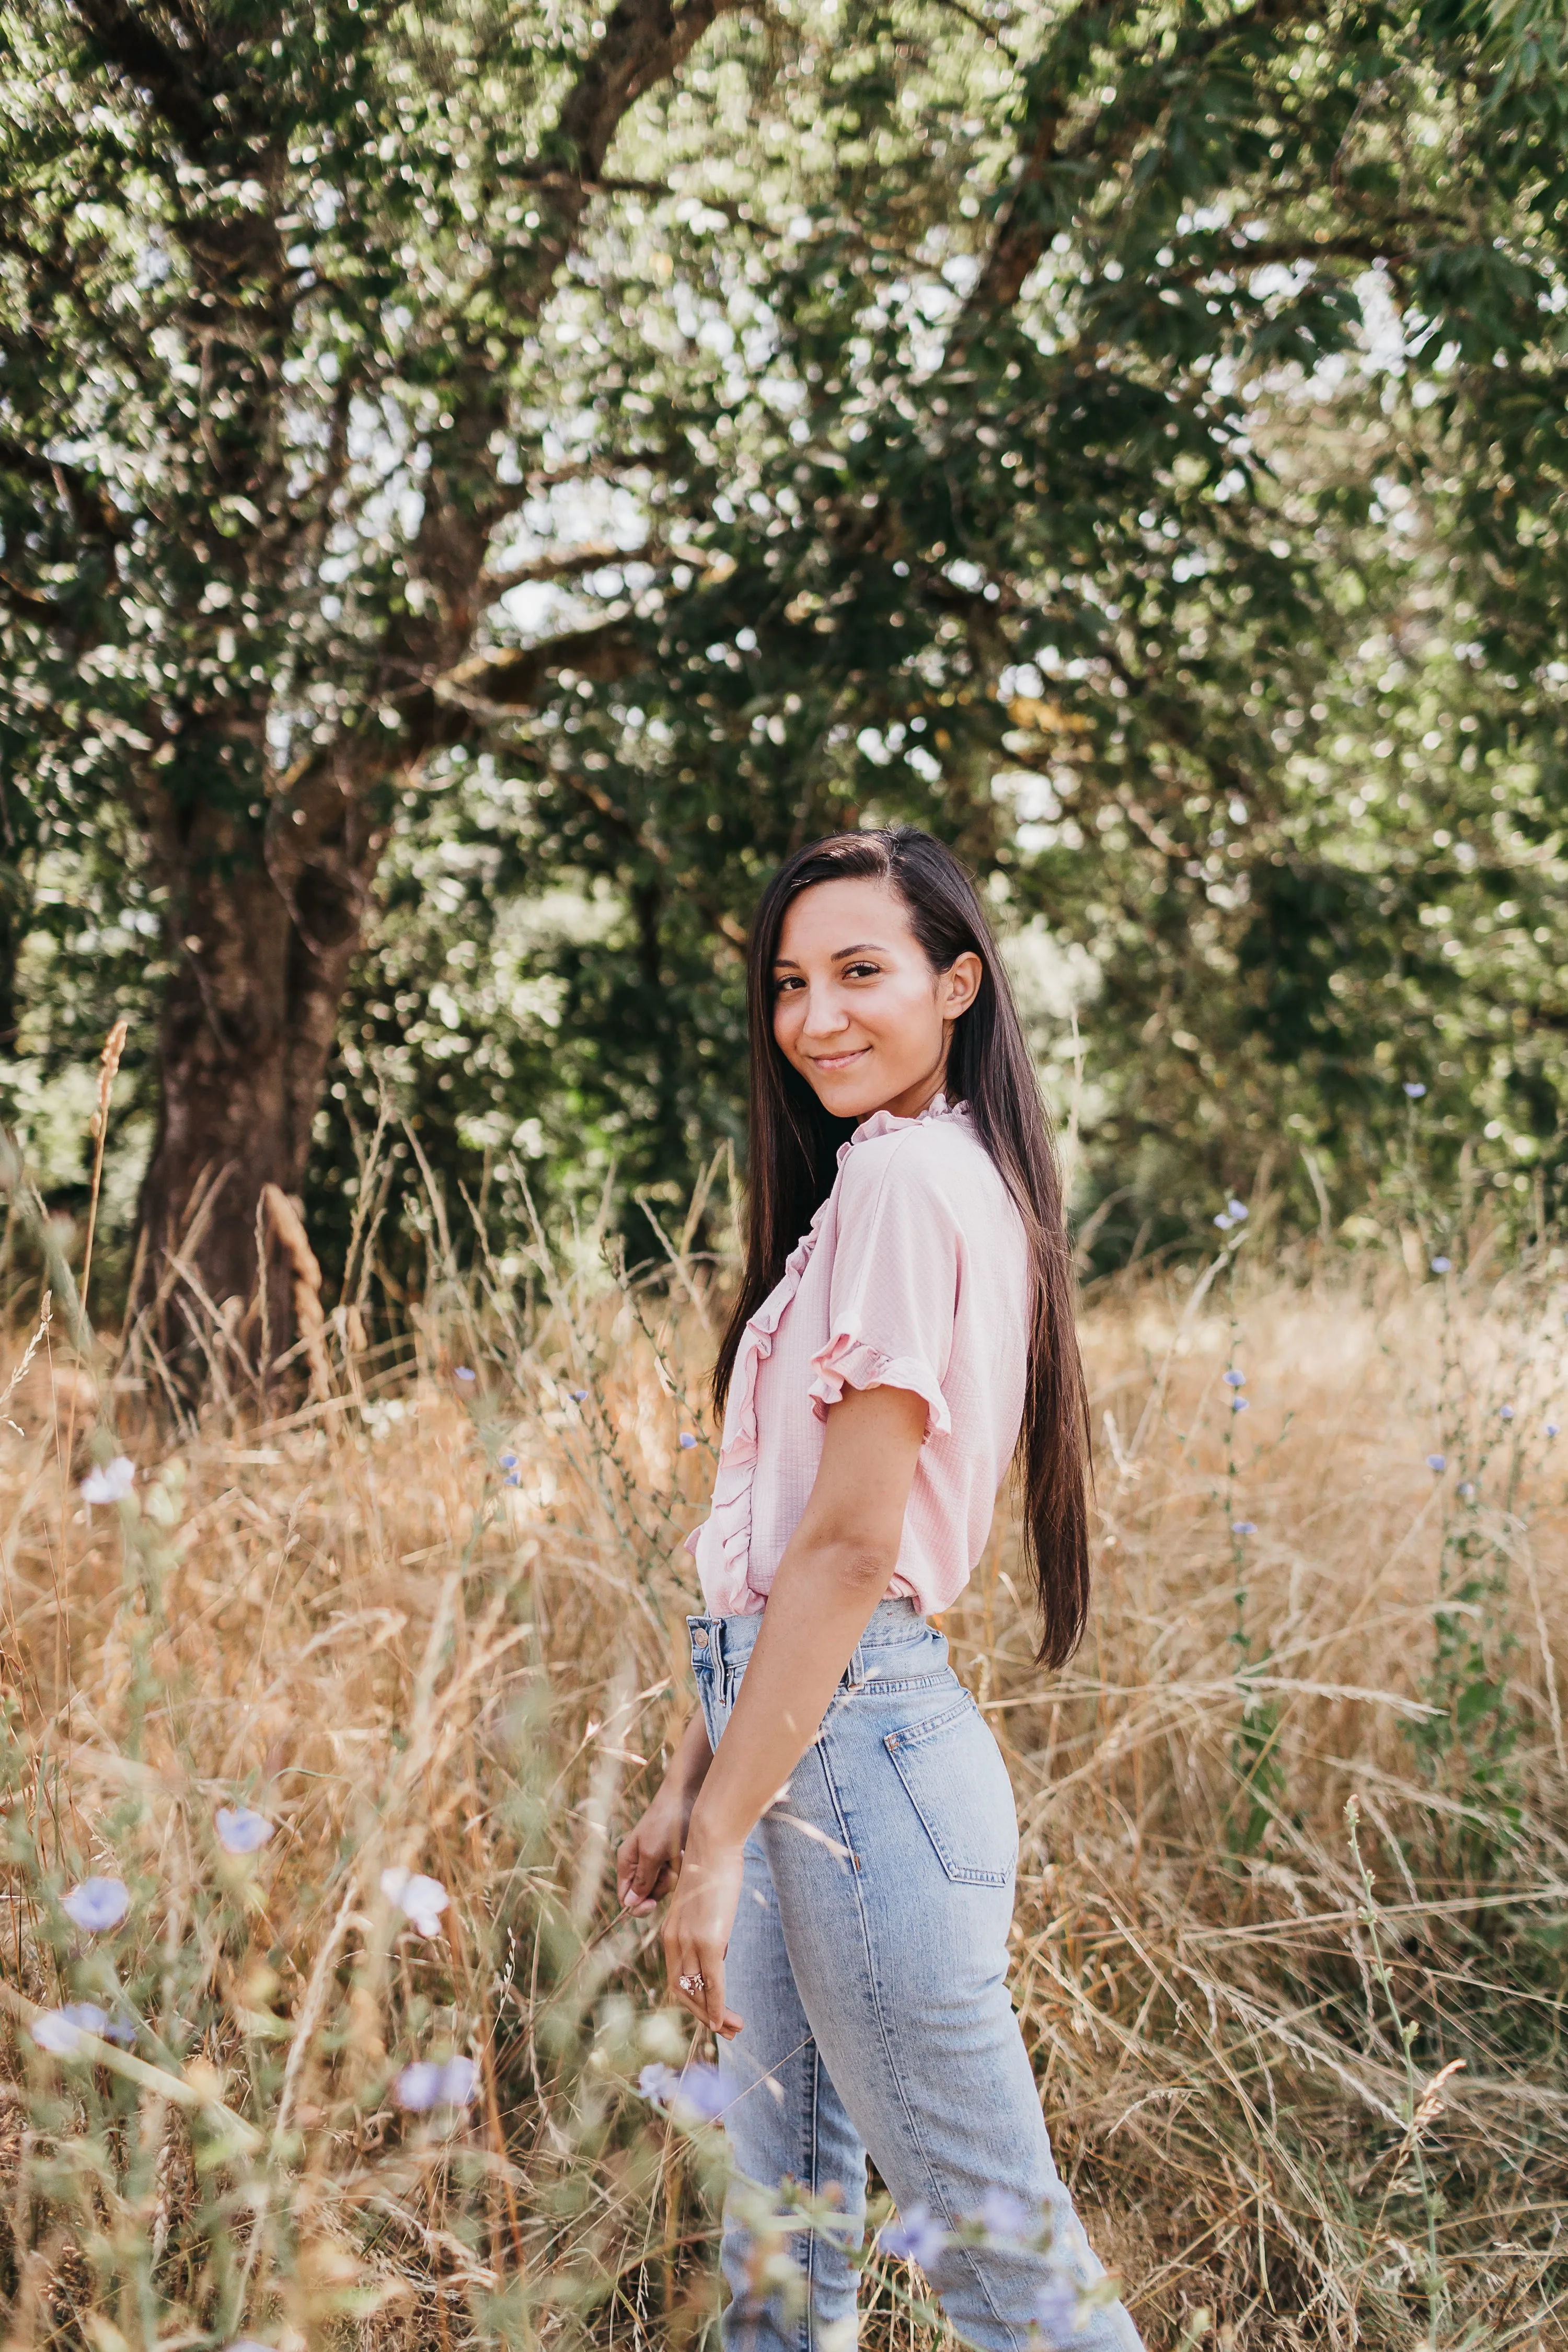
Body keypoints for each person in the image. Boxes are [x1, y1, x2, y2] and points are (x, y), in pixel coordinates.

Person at [617, 827, 1144, 2352]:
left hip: (861, 1767)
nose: (818, 1015)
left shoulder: (916, 1179)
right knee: (783, 2243)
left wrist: (719, 1837)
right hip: (800, 1742)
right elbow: (778, 1549)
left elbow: (853, 1549)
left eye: (863, 971)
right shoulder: (883, 1178)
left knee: (1003, 2271)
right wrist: (696, 1770)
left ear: (957, 983)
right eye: (791, 981)